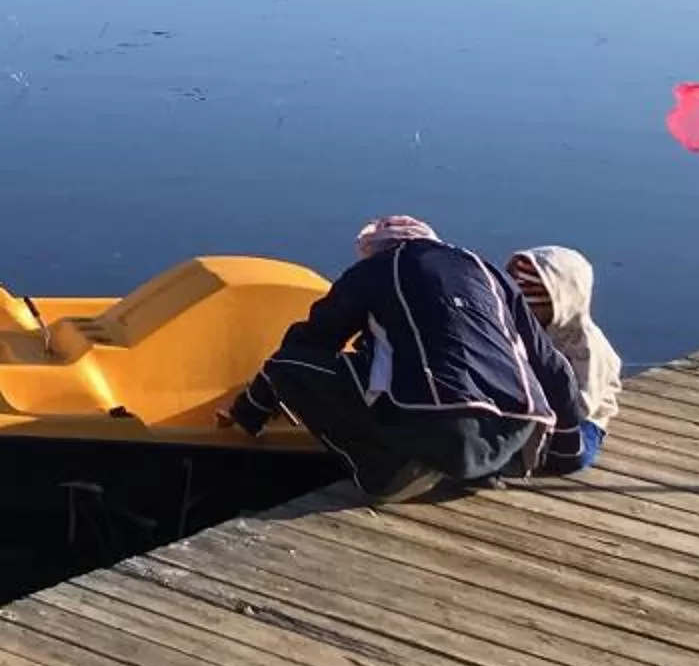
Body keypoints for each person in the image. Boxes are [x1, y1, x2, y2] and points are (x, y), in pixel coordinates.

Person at [222, 215, 583, 506]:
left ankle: (384, 472)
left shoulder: (377, 270)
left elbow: (311, 342)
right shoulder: (489, 274)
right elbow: (555, 370)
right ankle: (477, 469)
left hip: (435, 422)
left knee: (287, 366)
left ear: (376, 250)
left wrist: (249, 409)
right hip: (515, 433)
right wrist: (566, 454)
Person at [507, 245, 619, 475]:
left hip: (579, 419)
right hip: (533, 411)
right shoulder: (518, 334)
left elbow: (582, 406)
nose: (526, 318)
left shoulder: (587, 346)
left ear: (561, 305)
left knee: (574, 455)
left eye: (534, 310)